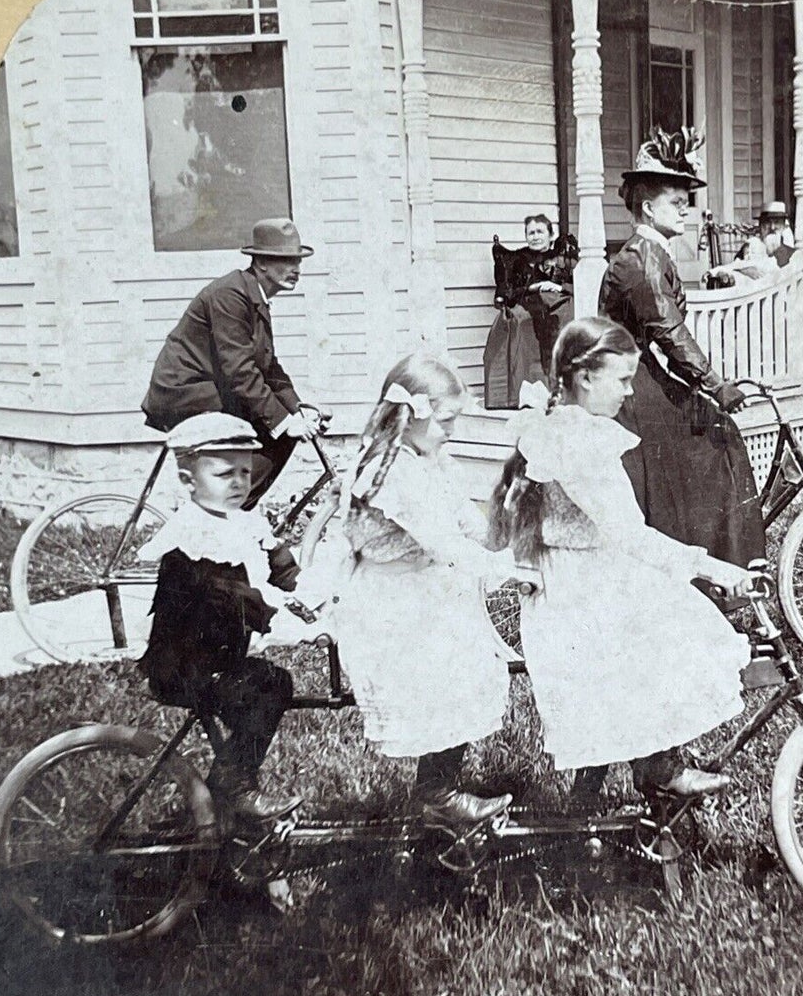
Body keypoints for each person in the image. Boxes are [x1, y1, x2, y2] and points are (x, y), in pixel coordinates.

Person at [489, 317, 752, 801]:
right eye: (623, 380)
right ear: (585, 377)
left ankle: (640, 772)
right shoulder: (579, 443)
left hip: (585, 576)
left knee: (664, 624)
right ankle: (656, 770)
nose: (629, 394)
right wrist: (711, 566)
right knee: (671, 634)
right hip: (576, 593)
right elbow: (631, 536)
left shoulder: (566, 429)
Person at [336, 353, 536, 829]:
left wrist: (504, 512)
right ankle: (438, 794)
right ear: (413, 415)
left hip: (421, 588)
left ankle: (438, 791)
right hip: (388, 602)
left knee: (469, 657)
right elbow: (443, 543)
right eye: (446, 421)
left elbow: (470, 530)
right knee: (454, 664)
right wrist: (504, 570)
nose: (452, 431)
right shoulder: (390, 471)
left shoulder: (429, 460)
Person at [598, 130, 765, 568]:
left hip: (639, 371)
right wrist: (716, 385)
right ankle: (705, 569)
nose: (686, 210)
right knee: (709, 437)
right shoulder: (641, 259)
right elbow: (668, 330)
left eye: (685, 202)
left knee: (712, 431)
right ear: (649, 208)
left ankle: (720, 564)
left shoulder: (653, 253)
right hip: (623, 383)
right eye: (676, 202)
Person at [137, 413, 302, 823]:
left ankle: (210, 809)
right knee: (269, 687)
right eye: (224, 473)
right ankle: (235, 788)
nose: (239, 483)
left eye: (246, 472)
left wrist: (314, 592)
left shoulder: (244, 523)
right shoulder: (190, 537)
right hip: (183, 667)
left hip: (217, 661)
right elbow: (232, 597)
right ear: (189, 480)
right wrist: (289, 625)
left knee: (265, 683)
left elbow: (282, 567)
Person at [142, 217, 329, 510]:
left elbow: (268, 367)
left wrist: (297, 408)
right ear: (261, 263)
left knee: (278, 433)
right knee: (271, 430)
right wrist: (283, 421)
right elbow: (240, 371)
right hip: (184, 394)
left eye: (298, 261)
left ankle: (233, 511)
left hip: (210, 390)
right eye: (285, 260)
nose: (296, 269)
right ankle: (224, 516)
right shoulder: (231, 295)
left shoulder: (255, 297)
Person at [493, 214, 577, 372]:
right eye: (531, 233)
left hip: (560, 309)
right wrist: (534, 288)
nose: (536, 237)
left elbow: (581, 286)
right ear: (526, 236)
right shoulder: (518, 261)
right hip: (531, 310)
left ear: (550, 235)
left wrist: (558, 287)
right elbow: (508, 292)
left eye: (540, 232)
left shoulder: (562, 259)